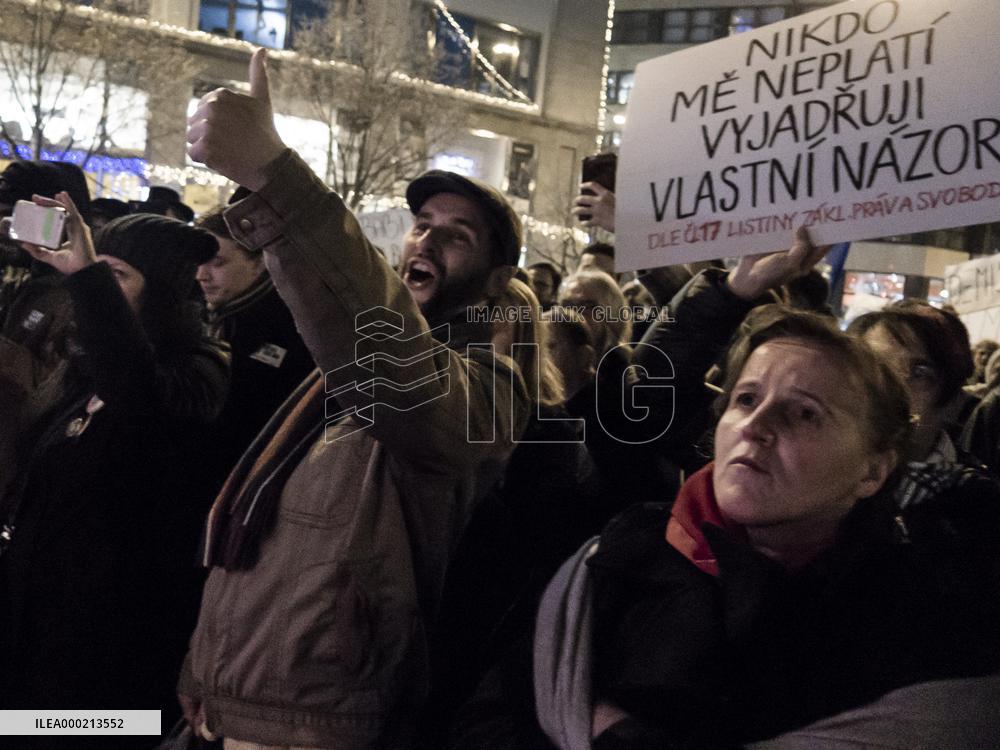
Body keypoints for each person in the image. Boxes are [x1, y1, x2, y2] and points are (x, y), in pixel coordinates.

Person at [452, 239, 1000, 750]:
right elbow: (492, 717)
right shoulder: (622, 557)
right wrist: (729, 293)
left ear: (874, 470)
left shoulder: (924, 618)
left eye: (805, 413)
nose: (756, 426)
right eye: (746, 399)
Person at [179, 49, 529, 749]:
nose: (428, 238)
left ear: (497, 281)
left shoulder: (490, 389)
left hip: (319, 721)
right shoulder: (335, 369)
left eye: (457, 235)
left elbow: (400, 371)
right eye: (422, 223)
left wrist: (275, 178)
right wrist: (204, 672)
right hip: (238, 701)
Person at [0, 194, 229, 746]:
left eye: (116, 276)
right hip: (43, 641)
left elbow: (140, 404)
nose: (95, 289)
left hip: (117, 664)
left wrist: (86, 279)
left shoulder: (200, 373)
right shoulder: (85, 372)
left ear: (166, 295)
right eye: (97, 273)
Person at [194, 207, 315, 489]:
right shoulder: (210, 316)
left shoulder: (288, 327)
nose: (201, 275)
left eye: (217, 263)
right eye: (198, 262)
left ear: (259, 263)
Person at [848, 301, 976, 463]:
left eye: (919, 374)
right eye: (874, 368)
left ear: (953, 402)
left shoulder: (969, 478)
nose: (889, 388)